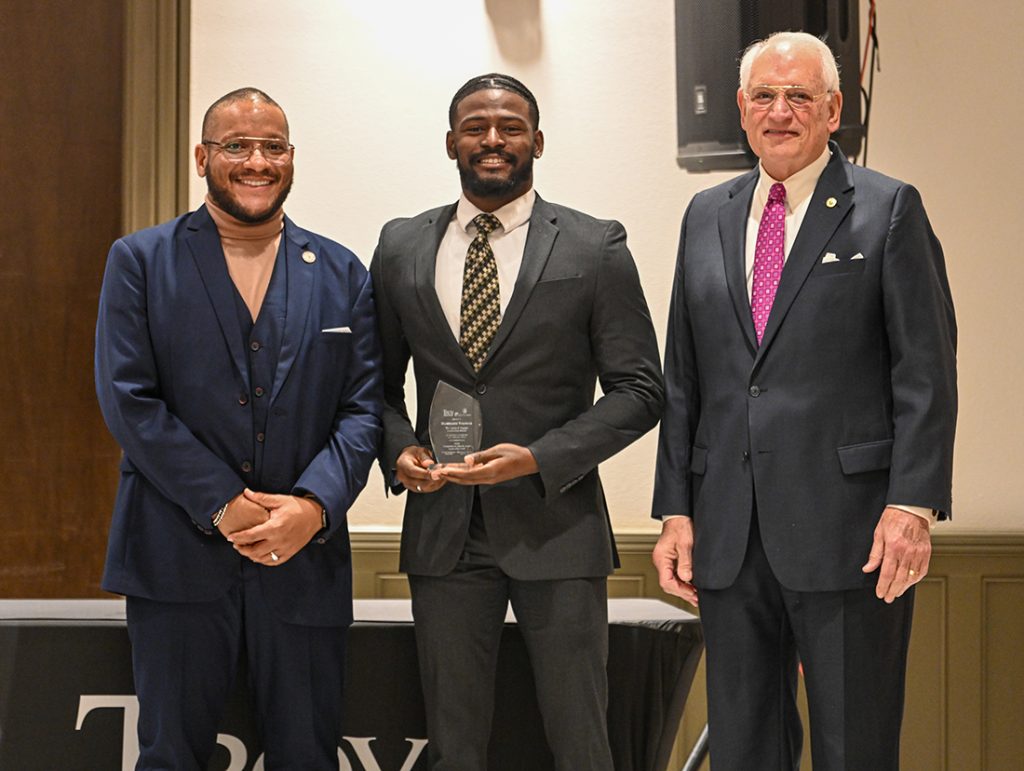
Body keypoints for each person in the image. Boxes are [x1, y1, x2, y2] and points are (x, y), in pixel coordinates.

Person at [651, 31, 957, 770]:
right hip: (728, 533)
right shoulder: (705, 214)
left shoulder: (887, 209)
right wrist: (675, 509)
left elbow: (927, 371)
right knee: (744, 749)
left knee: (855, 746)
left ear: (833, 110)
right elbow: (685, 375)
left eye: (799, 96)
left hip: (850, 536)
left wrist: (912, 506)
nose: (779, 110)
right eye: (764, 95)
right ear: (740, 108)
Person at [370, 73, 663, 770]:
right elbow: (373, 387)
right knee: (454, 745)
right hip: (444, 529)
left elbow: (642, 389)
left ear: (537, 139)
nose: (493, 140)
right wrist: (400, 450)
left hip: (556, 525)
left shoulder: (595, 246)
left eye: (509, 126)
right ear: (451, 142)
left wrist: (538, 457)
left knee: (580, 743)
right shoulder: (401, 246)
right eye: (475, 127)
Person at [95, 87, 382, 770]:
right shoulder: (140, 260)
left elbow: (364, 408)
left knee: (308, 755)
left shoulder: (343, 271)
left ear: (291, 158)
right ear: (202, 157)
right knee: (172, 757)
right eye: (237, 146)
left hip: (304, 563)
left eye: (272, 146)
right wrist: (225, 504)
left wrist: (311, 507)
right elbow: (129, 400)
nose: (257, 160)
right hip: (173, 559)